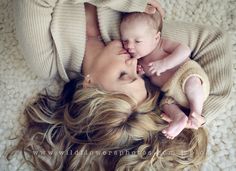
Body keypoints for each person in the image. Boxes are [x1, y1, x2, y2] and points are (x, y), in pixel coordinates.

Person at [9, 0, 232, 170]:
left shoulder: (47, 59)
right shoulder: (138, 43)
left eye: (125, 75)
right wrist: (195, 114)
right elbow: (215, 41)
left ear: (89, 85)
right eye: (139, 77)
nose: (134, 62)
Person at [120, 12, 210, 139]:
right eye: (125, 41)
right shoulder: (138, 61)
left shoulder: (161, 45)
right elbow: (147, 85)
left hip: (185, 74)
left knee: (192, 83)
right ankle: (179, 118)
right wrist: (140, 74)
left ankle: (196, 112)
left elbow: (184, 50)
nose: (129, 46)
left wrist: (165, 63)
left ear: (156, 38)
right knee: (164, 105)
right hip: (171, 93)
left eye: (137, 41)